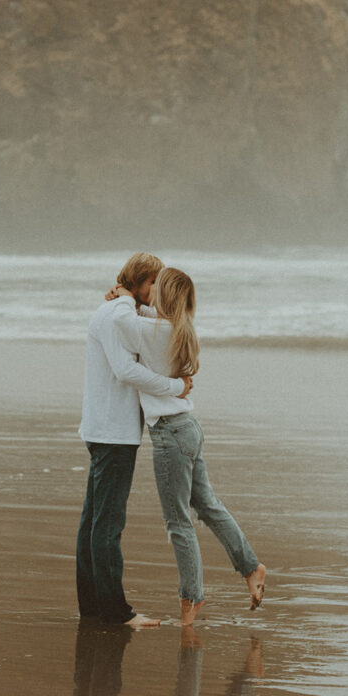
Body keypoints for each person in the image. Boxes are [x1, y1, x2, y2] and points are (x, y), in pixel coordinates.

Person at [111, 267, 266, 626]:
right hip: (189, 428)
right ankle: (250, 567)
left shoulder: (154, 330)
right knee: (208, 506)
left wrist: (123, 296)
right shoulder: (178, 328)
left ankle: (192, 596)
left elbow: (124, 324)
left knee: (177, 521)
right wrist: (134, 303)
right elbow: (147, 321)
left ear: (163, 296)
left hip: (170, 434)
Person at [76, 252, 193, 629]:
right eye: (153, 284)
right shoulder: (117, 315)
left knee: (94, 522)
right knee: (107, 524)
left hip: (106, 427)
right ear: (141, 280)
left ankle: (94, 606)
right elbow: (126, 369)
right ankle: (115, 612)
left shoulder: (119, 312)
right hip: (113, 431)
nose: (157, 291)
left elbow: (147, 324)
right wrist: (177, 387)